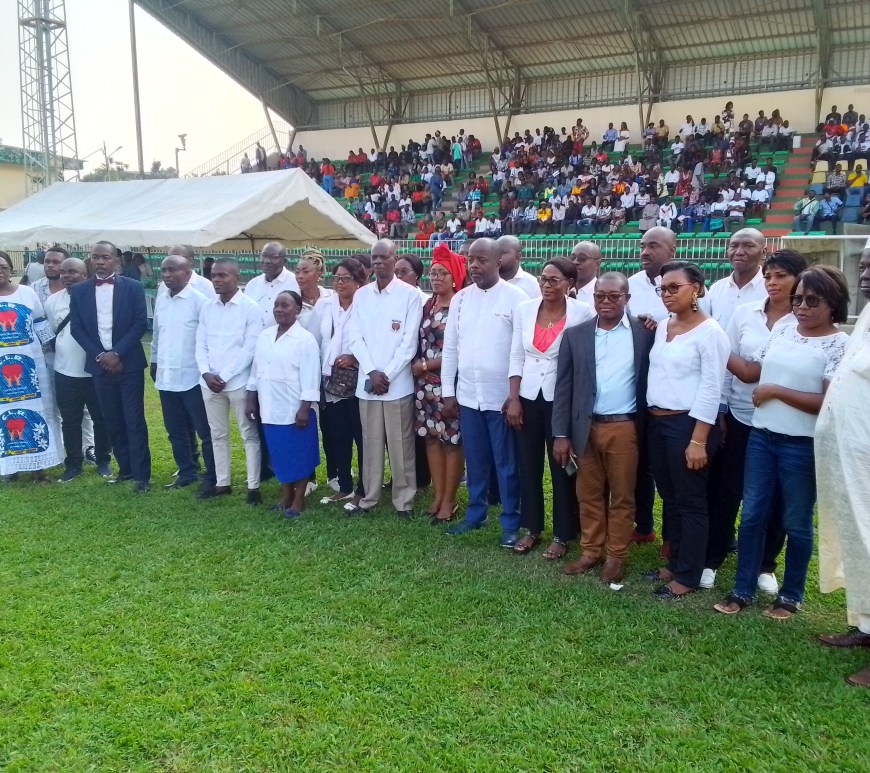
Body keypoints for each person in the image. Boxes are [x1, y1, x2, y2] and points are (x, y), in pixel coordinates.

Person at [714, 265, 850, 619]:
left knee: (796, 522)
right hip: (762, 437)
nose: (801, 307)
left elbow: (829, 401)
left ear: (833, 303)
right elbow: (750, 371)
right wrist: (711, 336)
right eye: (798, 299)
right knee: (752, 515)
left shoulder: (839, 344)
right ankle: (742, 589)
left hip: (801, 445)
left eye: (812, 300)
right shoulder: (784, 329)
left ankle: (790, 595)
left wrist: (776, 391)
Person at [701, 250, 807, 591]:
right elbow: (726, 367)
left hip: (783, 420)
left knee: (775, 497)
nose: (772, 283)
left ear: (799, 280)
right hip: (740, 415)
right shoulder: (745, 313)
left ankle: (765, 565)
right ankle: (712, 558)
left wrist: (716, 346)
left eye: (781, 276)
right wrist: (720, 408)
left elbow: (750, 370)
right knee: (726, 491)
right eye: (769, 276)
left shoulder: (803, 320)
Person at [553, 272, 654, 583]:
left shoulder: (644, 332)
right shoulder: (576, 335)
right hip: (584, 428)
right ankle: (591, 550)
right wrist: (561, 433)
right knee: (588, 493)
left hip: (624, 427)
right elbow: (563, 387)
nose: (606, 301)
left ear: (627, 298)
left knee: (622, 496)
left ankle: (616, 555)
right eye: (600, 296)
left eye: (614, 296)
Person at [644, 261, 730, 599]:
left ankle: (689, 574)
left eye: (674, 287)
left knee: (691, 501)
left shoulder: (711, 333)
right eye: (662, 288)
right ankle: (675, 561)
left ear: (696, 289)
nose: (666, 294)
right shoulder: (665, 325)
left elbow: (711, 389)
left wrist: (698, 440)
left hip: (688, 425)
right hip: (658, 421)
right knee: (670, 496)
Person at [441, 238, 527, 547]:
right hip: (468, 396)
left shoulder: (517, 298)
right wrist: (448, 390)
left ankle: (511, 521)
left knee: (506, 464)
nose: (474, 265)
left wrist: (514, 396)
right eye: (470, 260)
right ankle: (476, 514)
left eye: (482, 260)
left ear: (498, 262)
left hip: (500, 399)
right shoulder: (461, 299)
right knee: (476, 461)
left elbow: (519, 351)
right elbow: (451, 348)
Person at [506, 258, 593, 558]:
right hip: (528, 397)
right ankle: (532, 527)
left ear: (570, 284)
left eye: (554, 280)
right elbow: (516, 355)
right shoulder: (525, 309)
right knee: (528, 464)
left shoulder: (583, 312)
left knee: (562, 466)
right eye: (543, 278)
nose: (546, 285)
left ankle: (563, 533)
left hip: (563, 400)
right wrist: (514, 398)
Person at [816, 246, 870, 687]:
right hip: (853, 457)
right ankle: (866, 624)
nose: (864, 273)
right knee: (859, 540)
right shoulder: (868, 315)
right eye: (864, 265)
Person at [347, 239, 423, 518]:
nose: (378, 262)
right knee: (371, 443)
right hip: (368, 383)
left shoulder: (410, 295)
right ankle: (369, 498)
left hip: (397, 384)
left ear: (394, 258)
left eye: (384, 257)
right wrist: (371, 371)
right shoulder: (362, 295)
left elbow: (408, 343)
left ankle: (404, 501)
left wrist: (386, 375)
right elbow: (355, 337)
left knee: (401, 445)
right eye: (374, 258)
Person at [69, 241, 150, 492]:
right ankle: (125, 470)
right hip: (99, 367)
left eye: (105, 257)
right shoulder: (79, 291)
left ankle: (142, 476)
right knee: (111, 420)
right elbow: (77, 329)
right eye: (96, 257)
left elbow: (140, 323)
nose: (100, 261)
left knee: (134, 420)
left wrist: (116, 353)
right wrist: (100, 356)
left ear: (116, 261)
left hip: (129, 364)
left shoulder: (133, 287)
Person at [195, 258, 264, 504]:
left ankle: (253, 487)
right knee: (217, 434)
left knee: (249, 435)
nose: (216, 280)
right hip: (209, 382)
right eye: (213, 275)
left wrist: (223, 376)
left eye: (222, 275)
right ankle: (222, 482)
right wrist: (206, 373)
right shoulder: (207, 307)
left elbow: (250, 348)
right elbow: (200, 343)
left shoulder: (250, 308)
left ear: (237, 277)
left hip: (238, 382)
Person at [246, 291, 321, 518]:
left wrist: (304, 408)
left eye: (285, 305)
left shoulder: (305, 339)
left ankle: (299, 500)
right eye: (277, 305)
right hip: (269, 406)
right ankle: (286, 496)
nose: (279, 309)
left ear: (297, 310)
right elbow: (256, 370)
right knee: (280, 454)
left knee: (299, 455)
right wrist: (251, 399)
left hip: (295, 409)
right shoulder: (265, 336)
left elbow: (311, 377)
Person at [150, 254, 216, 497]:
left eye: (173, 270)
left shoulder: (200, 301)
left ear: (188, 273)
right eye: (164, 270)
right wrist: (154, 360)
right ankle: (187, 471)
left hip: (193, 377)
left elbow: (208, 339)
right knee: (175, 429)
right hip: (167, 376)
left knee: (205, 431)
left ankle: (213, 476)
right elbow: (157, 334)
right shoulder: (162, 299)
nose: (167, 275)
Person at [411, 243, 466, 524]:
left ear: (455, 277)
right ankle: (438, 494)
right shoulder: (428, 305)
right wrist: (420, 367)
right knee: (432, 438)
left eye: (442, 273)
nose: (436, 278)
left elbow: (460, 348)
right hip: (425, 386)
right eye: (433, 273)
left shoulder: (461, 305)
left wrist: (426, 366)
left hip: (448, 384)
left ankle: (450, 499)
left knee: (452, 441)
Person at [44, 257, 112, 482]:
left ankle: (103, 460)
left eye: (72, 272)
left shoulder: (98, 298)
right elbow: (53, 333)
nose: (66, 276)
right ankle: (73, 464)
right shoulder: (53, 302)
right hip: (65, 372)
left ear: (85, 275)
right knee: (70, 420)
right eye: (63, 272)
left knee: (101, 418)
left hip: (94, 371)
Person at [626, 226, 674, 544]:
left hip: (672, 388)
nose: (645, 251)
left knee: (669, 465)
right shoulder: (630, 285)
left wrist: (661, 326)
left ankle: (673, 536)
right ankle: (643, 526)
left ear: (672, 250)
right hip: (638, 384)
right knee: (640, 459)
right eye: (643, 245)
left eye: (654, 245)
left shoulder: (687, 284)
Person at [0, 250, 62, 481]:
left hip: (30, 369)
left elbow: (41, 327)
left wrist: (56, 353)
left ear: (11, 270)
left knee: (36, 414)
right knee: (4, 416)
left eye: (4, 267)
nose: (0, 272)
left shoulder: (27, 293)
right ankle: (10, 468)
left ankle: (39, 468)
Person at [319, 258, 368, 508]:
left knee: (361, 437)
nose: (340, 282)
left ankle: (364, 488)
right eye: (336, 277)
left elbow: (374, 340)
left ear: (359, 281)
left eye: (346, 278)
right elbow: (317, 340)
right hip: (332, 381)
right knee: (339, 435)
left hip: (358, 380)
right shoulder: (325, 305)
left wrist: (354, 358)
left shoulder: (366, 305)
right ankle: (345, 487)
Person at [244, 242, 301, 328]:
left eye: (274, 257)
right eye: (264, 256)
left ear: (284, 261)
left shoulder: (295, 283)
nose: (267, 261)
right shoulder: (252, 284)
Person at [570, 241, 602, 306]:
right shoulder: (563, 292)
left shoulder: (602, 295)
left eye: (582, 258)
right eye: (572, 258)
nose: (575, 262)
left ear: (597, 264)